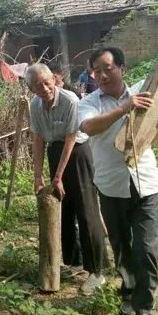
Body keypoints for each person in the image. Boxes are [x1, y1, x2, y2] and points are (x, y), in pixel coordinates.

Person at [78, 47, 158, 315]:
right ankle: (128, 291)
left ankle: (143, 308)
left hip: (145, 183)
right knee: (121, 247)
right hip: (111, 187)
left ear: (122, 68)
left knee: (146, 249)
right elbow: (88, 127)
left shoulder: (143, 93)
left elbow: (153, 139)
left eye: (108, 68)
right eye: (96, 70)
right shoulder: (89, 102)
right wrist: (124, 108)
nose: (102, 75)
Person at [26, 63, 107, 295]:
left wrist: (58, 176)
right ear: (31, 89)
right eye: (38, 85)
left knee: (86, 210)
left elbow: (72, 138)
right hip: (55, 151)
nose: (44, 88)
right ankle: (75, 262)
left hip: (78, 153)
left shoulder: (70, 100)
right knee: (64, 209)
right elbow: (39, 139)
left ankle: (97, 271)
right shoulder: (35, 105)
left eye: (47, 82)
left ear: (54, 79)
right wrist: (38, 176)